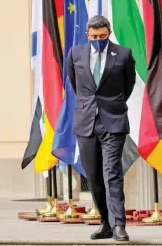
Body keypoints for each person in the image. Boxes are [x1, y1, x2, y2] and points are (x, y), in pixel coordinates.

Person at [66, 15, 135, 241]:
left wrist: (111, 104)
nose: (98, 40)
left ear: (109, 33)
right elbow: (77, 85)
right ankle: (105, 222)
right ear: (88, 35)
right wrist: (90, 106)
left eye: (103, 36)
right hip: (86, 122)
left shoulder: (123, 54)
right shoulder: (75, 54)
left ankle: (119, 226)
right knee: (94, 177)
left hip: (113, 122)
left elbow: (128, 85)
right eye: (94, 37)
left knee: (112, 173)